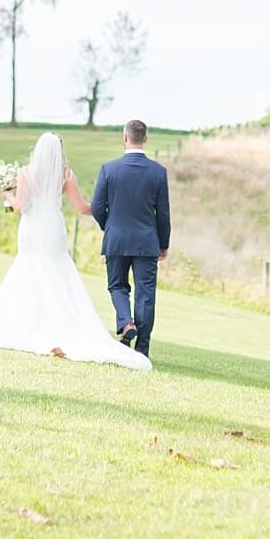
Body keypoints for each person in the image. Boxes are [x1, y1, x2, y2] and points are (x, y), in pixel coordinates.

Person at [0, 131, 150, 371]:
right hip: (53, 227)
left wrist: (7, 195)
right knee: (58, 269)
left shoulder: (25, 173)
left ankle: (27, 323)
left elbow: (20, 207)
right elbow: (81, 207)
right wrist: (109, 209)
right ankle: (61, 320)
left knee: (28, 268)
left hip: (33, 226)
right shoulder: (65, 175)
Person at [90, 119, 171, 360]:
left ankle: (126, 323)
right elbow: (163, 213)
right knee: (146, 295)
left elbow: (96, 207)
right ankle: (142, 351)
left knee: (117, 286)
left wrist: (110, 226)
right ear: (145, 139)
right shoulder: (159, 172)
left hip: (116, 239)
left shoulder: (108, 169)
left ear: (125, 138)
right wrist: (163, 243)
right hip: (147, 242)